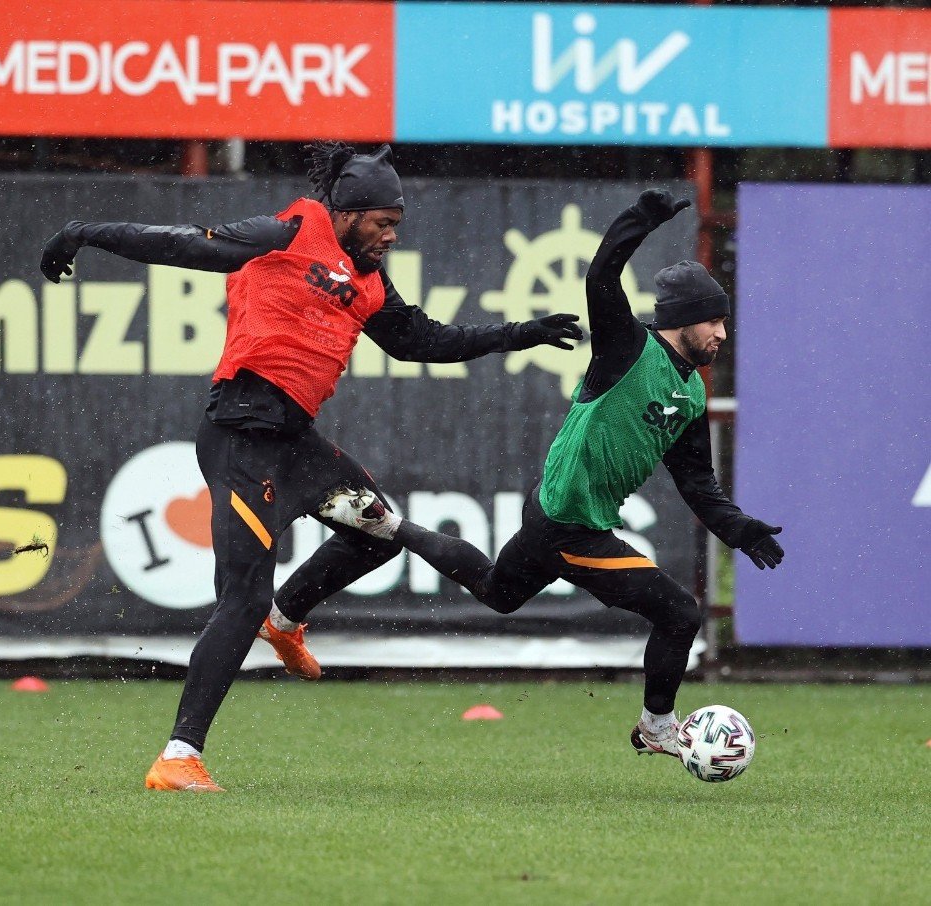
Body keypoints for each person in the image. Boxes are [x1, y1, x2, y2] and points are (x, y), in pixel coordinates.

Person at [40, 142, 583, 792]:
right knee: (240, 596)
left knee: (376, 535)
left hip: (292, 441)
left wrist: (517, 333)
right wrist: (82, 234)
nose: (390, 234)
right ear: (346, 212)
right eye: (381, 222)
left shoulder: (371, 282)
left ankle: (287, 618)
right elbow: (183, 245)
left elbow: (425, 342)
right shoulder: (288, 233)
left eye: (396, 224)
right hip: (240, 435)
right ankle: (179, 757)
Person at [314, 188, 784, 759]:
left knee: (497, 591)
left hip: (555, 512)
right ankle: (657, 727)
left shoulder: (688, 393)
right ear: (683, 319)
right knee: (680, 612)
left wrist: (741, 530)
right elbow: (602, 278)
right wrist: (641, 220)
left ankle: (393, 528)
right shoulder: (628, 348)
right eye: (714, 321)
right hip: (569, 525)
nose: (722, 335)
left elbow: (697, 486)